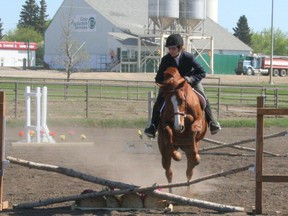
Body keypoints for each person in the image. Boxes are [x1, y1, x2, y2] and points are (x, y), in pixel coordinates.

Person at [144, 33, 221, 138]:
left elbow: (202, 72)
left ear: (179, 48)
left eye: (173, 48)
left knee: (203, 97)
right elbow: (158, 78)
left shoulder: (188, 57)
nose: (171, 51)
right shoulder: (165, 60)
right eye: (169, 48)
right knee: (159, 101)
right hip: (171, 86)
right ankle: (153, 126)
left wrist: (191, 79)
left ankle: (212, 122)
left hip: (189, 82)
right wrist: (168, 81)